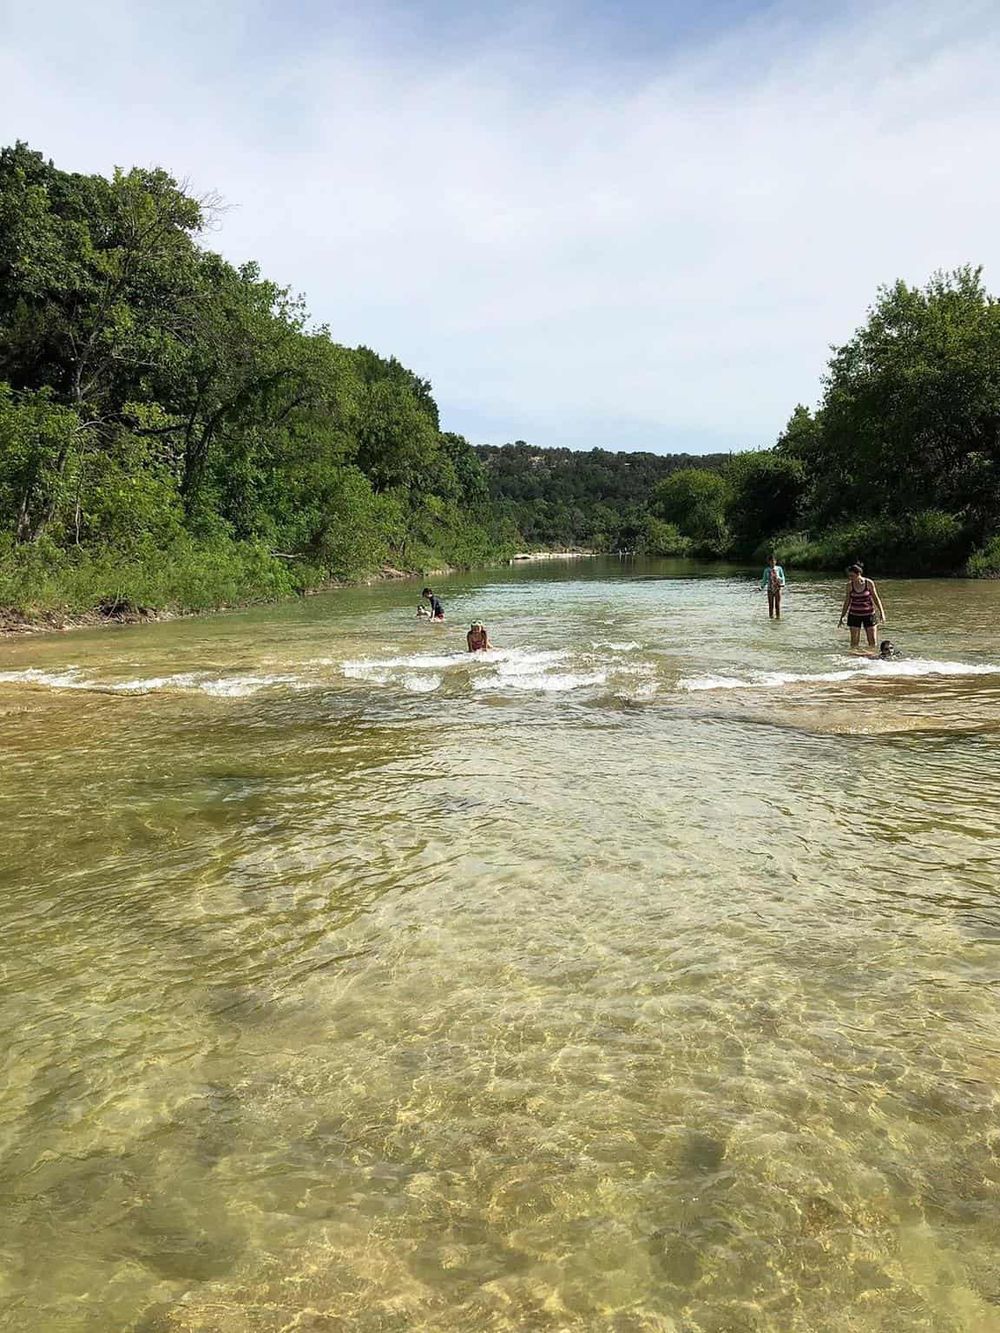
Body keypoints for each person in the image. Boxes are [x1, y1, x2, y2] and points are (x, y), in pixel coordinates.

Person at [838, 563, 886, 650]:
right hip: (854, 615)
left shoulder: (869, 583)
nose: (850, 578)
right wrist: (842, 616)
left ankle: (872, 658)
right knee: (854, 642)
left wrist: (882, 613)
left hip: (869, 614)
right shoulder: (849, 586)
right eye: (849, 576)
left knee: (872, 641)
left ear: (858, 574)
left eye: (852, 576)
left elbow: (876, 599)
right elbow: (847, 602)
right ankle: (855, 659)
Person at [759, 553, 786, 619]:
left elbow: (783, 577)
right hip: (770, 589)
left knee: (777, 605)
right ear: (768, 562)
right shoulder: (766, 570)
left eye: (773, 561)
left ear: (775, 561)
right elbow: (764, 580)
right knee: (771, 605)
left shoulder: (779, 568)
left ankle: (778, 618)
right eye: (771, 561)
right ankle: (771, 618)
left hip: (778, 588)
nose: (772, 562)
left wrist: (783, 584)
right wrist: (761, 587)